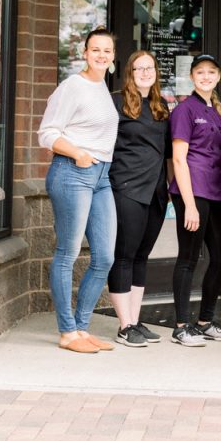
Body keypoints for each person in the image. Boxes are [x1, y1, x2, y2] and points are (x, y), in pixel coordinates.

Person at [37, 27, 119, 353]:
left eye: (107, 51)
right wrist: (78, 154)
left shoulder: (102, 88)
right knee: (68, 254)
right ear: (84, 53)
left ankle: (82, 328)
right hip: (73, 173)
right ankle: (67, 332)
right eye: (95, 49)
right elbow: (47, 133)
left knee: (104, 257)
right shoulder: (72, 86)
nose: (101, 55)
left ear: (113, 57)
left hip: (102, 177)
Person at [169, 54, 221, 347]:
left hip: (215, 193)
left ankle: (205, 321)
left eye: (211, 72)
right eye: (200, 72)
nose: (206, 77)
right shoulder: (184, 110)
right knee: (188, 257)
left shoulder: (218, 111)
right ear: (192, 77)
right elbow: (179, 160)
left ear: (218, 77)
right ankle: (181, 326)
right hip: (191, 192)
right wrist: (190, 205)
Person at [107, 51, 171, 348]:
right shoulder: (116, 101)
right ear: (129, 73)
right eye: (138, 68)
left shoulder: (161, 105)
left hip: (156, 191)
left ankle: (135, 319)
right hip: (127, 188)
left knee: (142, 256)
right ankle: (123, 326)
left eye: (150, 67)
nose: (145, 72)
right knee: (125, 255)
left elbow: (169, 152)